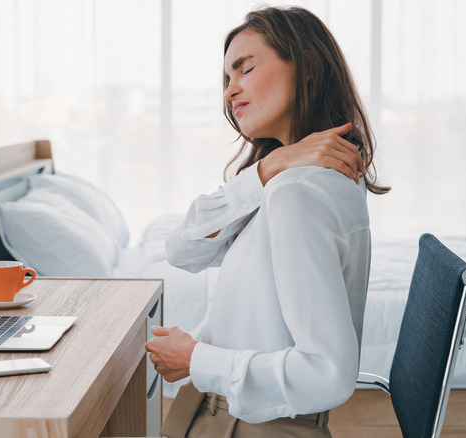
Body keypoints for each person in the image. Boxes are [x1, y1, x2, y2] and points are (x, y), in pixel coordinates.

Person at [145, 6, 389, 437]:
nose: (229, 92)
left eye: (245, 70)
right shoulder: (289, 181)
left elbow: (327, 373)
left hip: (253, 425)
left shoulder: (298, 192)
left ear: (308, 66)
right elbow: (182, 249)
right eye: (225, 80)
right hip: (225, 414)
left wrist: (196, 358)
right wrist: (270, 165)